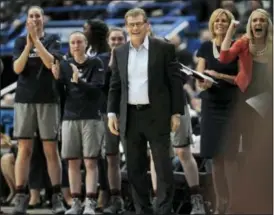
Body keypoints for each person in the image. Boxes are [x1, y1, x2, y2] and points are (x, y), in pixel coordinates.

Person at [107, 8, 185, 215]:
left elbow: (175, 83)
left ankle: (164, 209)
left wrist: (176, 112)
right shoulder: (120, 51)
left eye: (138, 24)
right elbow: (115, 85)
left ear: (147, 25)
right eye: (131, 25)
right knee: (134, 169)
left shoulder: (164, 48)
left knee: (163, 167)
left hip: (156, 114)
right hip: (130, 116)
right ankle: (143, 209)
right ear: (126, 27)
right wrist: (112, 113)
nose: (134, 28)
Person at [11, 5, 65, 215]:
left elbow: (51, 62)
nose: (34, 19)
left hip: (48, 100)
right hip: (24, 99)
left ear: (43, 19)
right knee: (24, 149)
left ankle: (56, 196)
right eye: (31, 16)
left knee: (51, 150)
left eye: (38, 16)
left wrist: (36, 42)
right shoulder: (18, 41)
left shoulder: (53, 39)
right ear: (27, 20)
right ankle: (20, 195)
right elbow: (17, 68)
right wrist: (27, 45)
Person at [219, 8, 272, 213]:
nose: (258, 23)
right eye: (254, 20)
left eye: (262, 20)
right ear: (250, 24)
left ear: (267, 24)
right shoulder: (243, 42)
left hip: (269, 100)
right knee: (250, 147)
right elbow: (224, 58)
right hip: (248, 100)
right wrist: (231, 32)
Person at [52, 31, 105, 215]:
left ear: (86, 44)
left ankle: (90, 202)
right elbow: (60, 95)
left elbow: (97, 91)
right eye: (73, 42)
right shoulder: (65, 65)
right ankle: (76, 202)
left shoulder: (96, 63)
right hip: (70, 117)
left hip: (91, 117)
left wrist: (79, 81)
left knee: (90, 162)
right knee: (72, 162)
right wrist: (57, 79)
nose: (76, 45)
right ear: (70, 45)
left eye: (79, 42)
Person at [196, 8, 241, 214]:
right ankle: (220, 204)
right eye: (217, 21)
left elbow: (242, 79)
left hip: (232, 106)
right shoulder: (205, 47)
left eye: (224, 20)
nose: (220, 24)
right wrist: (203, 83)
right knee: (215, 158)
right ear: (212, 24)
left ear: (230, 24)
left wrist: (219, 76)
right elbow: (199, 76)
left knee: (231, 157)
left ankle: (234, 204)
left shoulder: (238, 47)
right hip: (211, 106)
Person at [83, 19, 111, 210]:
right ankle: (99, 192)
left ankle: (106, 192)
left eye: (86, 29)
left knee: (106, 156)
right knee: (94, 156)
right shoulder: (90, 54)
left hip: (105, 109)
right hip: (90, 109)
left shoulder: (105, 55)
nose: (83, 31)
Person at [102, 27, 127, 214]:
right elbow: (103, 85)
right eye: (113, 39)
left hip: (130, 112)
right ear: (108, 41)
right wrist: (112, 58)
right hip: (108, 113)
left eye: (120, 39)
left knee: (135, 157)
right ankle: (116, 198)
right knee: (111, 157)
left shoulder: (133, 58)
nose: (116, 42)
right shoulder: (101, 60)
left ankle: (138, 198)